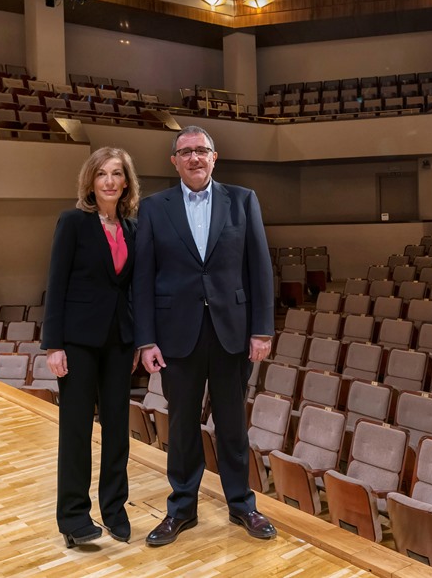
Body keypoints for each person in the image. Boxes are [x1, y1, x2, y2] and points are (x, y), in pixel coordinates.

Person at [134, 125, 277, 545]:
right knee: (180, 427)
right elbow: (142, 278)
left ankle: (242, 505)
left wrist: (262, 331)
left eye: (201, 151)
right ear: (173, 161)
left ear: (215, 158)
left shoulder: (243, 200)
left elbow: (260, 269)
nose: (194, 158)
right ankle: (181, 509)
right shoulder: (154, 207)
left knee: (233, 425)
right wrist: (146, 339)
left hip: (232, 331)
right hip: (177, 335)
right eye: (185, 152)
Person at [42, 147, 141, 548]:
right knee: (77, 430)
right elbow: (57, 282)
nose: (110, 181)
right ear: (91, 180)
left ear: (127, 182)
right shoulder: (73, 222)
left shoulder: (132, 228)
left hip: (120, 341)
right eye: (102, 174)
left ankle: (115, 510)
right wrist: (53, 345)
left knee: (118, 431)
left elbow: (132, 287)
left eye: (117, 174)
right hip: (78, 342)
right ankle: (73, 517)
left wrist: (137, 337)